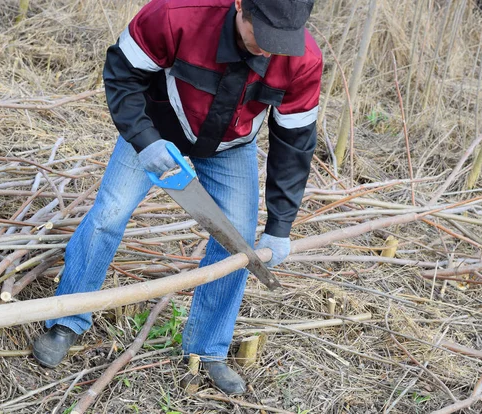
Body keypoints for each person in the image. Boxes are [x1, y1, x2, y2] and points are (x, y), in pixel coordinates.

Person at [32, 0, 322, 395]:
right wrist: (144, 140)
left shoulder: (302, 60)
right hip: (155, 131)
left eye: (282, 41)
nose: (270, 49)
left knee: (238, 241)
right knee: (109, 215)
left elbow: (294, 145)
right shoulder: (174, 15)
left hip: (230, 147)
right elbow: (121, 74)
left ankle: (207, 349)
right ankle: (67, 319)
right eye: (264, 36)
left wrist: (280, 225)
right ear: (240, 6)